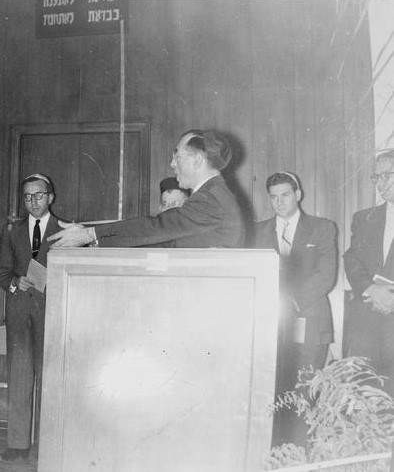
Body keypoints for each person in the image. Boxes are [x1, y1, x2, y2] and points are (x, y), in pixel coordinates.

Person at [49, 129, 245, 248]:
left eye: (177, 157)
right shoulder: (213, 193)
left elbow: (157, 227)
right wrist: (91, 236)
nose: (172, 164)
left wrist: (89, 235)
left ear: (198, 160)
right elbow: (167, 239)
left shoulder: (209, 199)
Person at [254, 172, 337, 446]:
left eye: (285, 195)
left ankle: (301, 457)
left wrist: (291, 303)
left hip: (309, 323)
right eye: (274, 197)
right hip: (270, 328)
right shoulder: (259, 231)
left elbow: (327, 275)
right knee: (272, 396)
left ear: (298, 194)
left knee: (304, 397)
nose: (279, 202)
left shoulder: (322, 228)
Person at [0, 173, 62, 462]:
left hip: (53, 313)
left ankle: (49, 444)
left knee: (50, 379)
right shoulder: (11, 230)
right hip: (20, 312)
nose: (33, 202)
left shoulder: (65, 230)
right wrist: (15, 282)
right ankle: (17, 445)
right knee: (20, 377)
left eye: (38, 195)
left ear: (50, 197)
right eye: (27, 197)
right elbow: (0, 272)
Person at [344, 149, 394, 396]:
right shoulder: (364, 218)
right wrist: (371, 289)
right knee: (368, 396)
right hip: (368, 325)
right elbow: (352, 258)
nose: (380, 184)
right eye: (377, 178)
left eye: (386, 176)